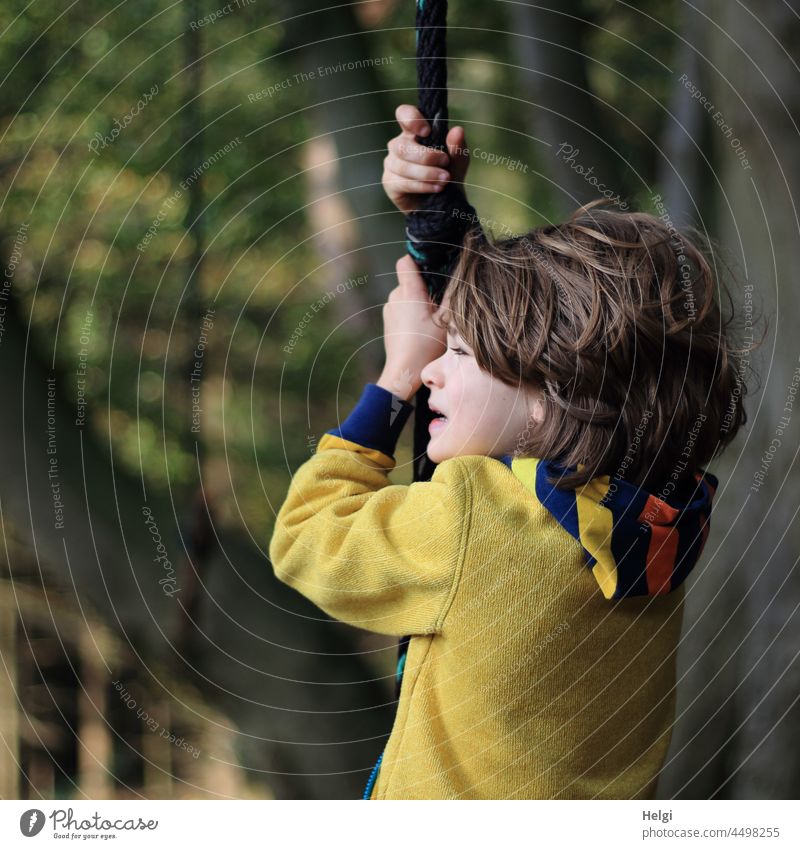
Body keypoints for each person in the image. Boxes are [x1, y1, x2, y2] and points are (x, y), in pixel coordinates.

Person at [268, 104, 748, 799]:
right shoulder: (656, 514)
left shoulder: (478, 520)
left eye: (455, 350)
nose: (436, 365)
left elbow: (305, 535)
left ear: (556, 387)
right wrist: (442, 220)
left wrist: (396, 375)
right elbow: (547, 343)